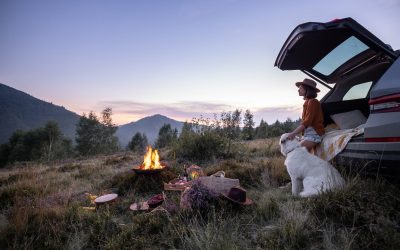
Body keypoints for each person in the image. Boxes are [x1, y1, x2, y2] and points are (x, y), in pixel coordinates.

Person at [287, 78, 324, 152]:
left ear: (307, 89)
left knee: (298, 152)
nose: (298, 90)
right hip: (308, 134)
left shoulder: (313, 102)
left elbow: (307, 122)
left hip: (314, 134)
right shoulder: (307, 102)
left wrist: (294, 133)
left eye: (300, 88)